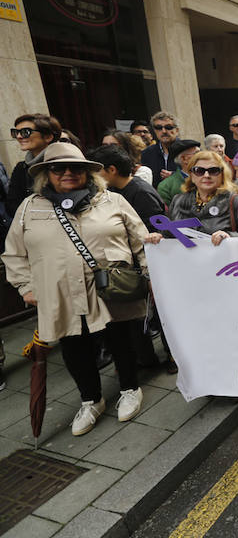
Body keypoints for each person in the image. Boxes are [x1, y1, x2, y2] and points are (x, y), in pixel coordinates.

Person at [2, 143, 149, 436]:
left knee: (121, 339)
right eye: (58, 168)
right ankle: (91, 400)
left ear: (87, 172)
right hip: (60, 292)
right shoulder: (30, 207)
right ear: (46, 174)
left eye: (76, 168)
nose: (68, 173)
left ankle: (130, 389)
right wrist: (24, 286)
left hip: (111, 289)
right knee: (73, 346)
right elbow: (14, 253)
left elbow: (140, 240)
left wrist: (149, 273)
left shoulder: (113, 201)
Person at [90, 144, 167, 368]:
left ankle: (170, 357)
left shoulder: (139, 192)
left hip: (149, 265)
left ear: (111, 170)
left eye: (97, 171)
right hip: (129, 267)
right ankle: (145, 358)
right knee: (137, 319)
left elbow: (156, 230)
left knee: (159, 315)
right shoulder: (112, 194)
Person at [147, 151, 238, 246]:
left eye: (213, 170)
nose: (206, 175)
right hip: (187, 266)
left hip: (225, 266)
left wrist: (230, 236)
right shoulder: (178, 200)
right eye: (199, 170)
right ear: (191, 175)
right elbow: (169, 234)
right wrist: (159, 237)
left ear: (222, 174)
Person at [90, 145, 165, 233]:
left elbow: (154, 230)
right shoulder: (111, 190)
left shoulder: (142, 193)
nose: (94, 176)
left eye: (97, 171)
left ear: (112, 170)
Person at [6, 114, 61, 215]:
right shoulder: (21, 168)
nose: (18, 136)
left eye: (25, 132)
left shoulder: (65, 163)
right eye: (15, 132)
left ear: (48, 137)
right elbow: (12, 205)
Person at [141, 111, 180, 187]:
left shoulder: (190, 150)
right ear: (154, 131)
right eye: (159, 128)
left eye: (168, 127)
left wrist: (175, 176)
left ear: (177, 130)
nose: (164, 131)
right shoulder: (147, 153)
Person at [156, 140, 201, 206]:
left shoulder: (211, 177)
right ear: (184, 159)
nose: (203, 156)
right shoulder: (166, 186)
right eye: (197, 153)